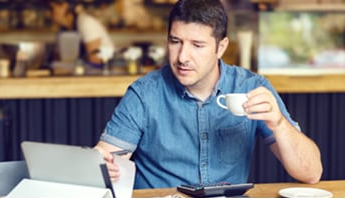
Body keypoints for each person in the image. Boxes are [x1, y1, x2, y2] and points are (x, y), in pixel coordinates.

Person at [94, 0, 322, 189]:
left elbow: (311, 173)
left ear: (221, 47)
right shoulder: (144, 93)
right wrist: (104, 166)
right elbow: (102, 163)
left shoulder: (250, 87)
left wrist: (279, 124)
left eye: (197, 45)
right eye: (176, 42)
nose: (183, 56)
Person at [48, 0, 115, 65]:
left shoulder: (85, 23)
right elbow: (60, 58)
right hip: (85, 71)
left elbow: (94, 58)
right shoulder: (63, 30)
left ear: (65, 7)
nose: (48, 13)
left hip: (106, 70)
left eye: (51, 9)